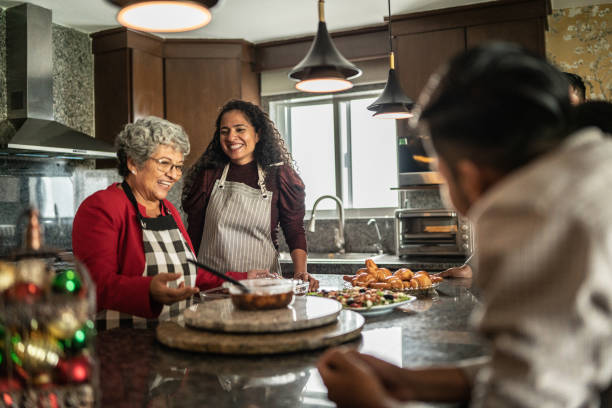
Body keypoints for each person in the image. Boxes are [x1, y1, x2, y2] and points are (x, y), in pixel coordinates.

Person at [318, 42, 612, 407]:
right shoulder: (590, 172)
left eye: (439, 171)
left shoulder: (533, 213)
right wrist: (410, 382)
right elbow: (544, 367)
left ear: (469, 178)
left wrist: (372, 403)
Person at [73, 116, 266, 330]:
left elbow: (189, 271)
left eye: (178, 166)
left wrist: (243, 278)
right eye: (164, 163)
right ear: (133, 163)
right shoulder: (102, 206)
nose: (174, 175)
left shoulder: (168, 210)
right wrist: (148, 291)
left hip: (177, 336)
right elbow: (95, 285)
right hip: (125, 343)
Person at [182, 100, 319, 290]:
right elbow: (194, 231)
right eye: (224, 131)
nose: (231, 137)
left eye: (240, 129)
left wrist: (300, 272)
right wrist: (189, 276)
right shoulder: (208, 174)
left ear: (258, 134)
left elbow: (294, 228)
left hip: (263, 287)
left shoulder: (279, 176)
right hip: (213, 288)